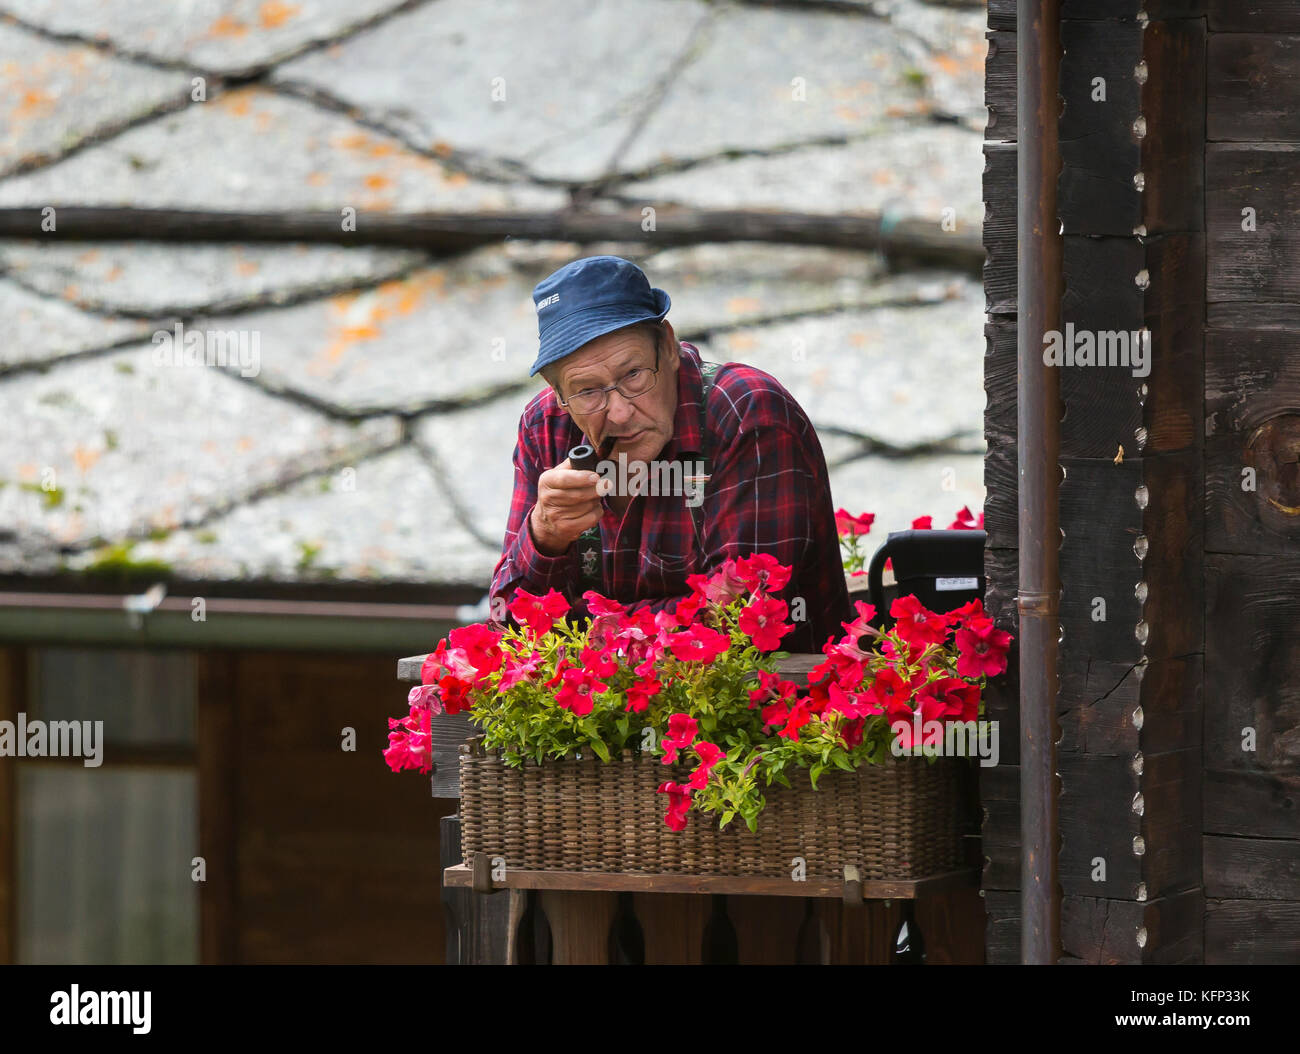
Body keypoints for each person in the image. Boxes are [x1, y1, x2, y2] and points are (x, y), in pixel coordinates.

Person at [488, 254, 850, 654]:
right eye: (588, 391)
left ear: (668, 346)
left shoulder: (745, 412)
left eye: (633, 375)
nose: (621, 412)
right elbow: (509, 623)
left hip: (771, 705)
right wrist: (546, 535)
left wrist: (585, 629)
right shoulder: (545, 426)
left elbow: (739, 620)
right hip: (606, 711)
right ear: (559, 395)